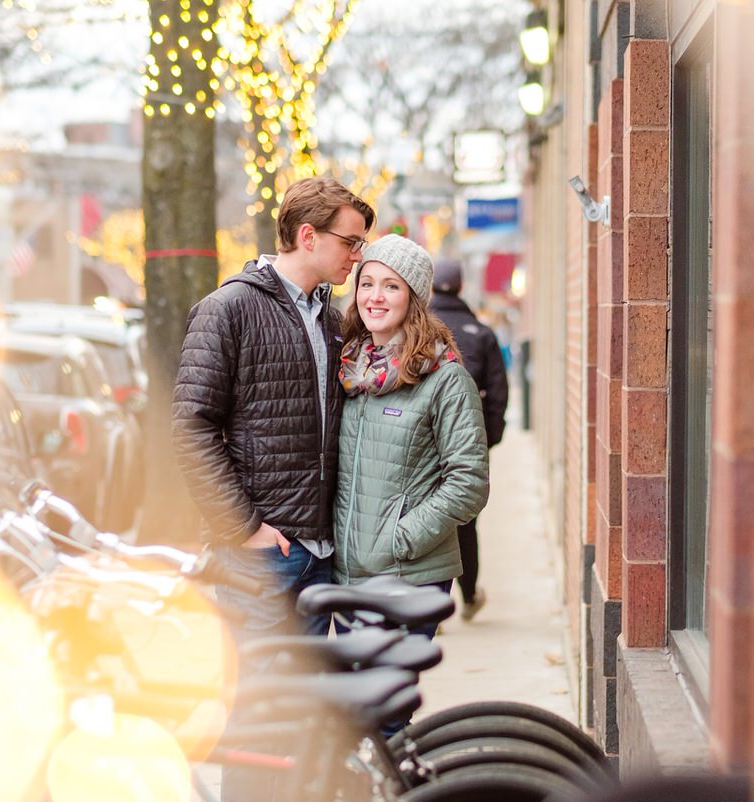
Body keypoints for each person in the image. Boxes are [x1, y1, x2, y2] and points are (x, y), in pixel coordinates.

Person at [172, 177, 375, 640]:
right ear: (308, 236)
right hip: (259, 556)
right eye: (350, 242)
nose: (357, 255)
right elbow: (191, 427)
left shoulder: (331, 317)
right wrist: (244, 528)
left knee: (306, 705)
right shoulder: (228, 309)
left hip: (323, 556)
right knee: (258, 700)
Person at [333, 234, 490, 636]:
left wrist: (400, 538)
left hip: (410, 573)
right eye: (367, 284)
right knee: (356, 697)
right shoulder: (349, 371)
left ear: (414, 298)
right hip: (348, 573)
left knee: (385, 692)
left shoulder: (444, 377)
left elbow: (469, 482)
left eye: (391, 286)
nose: (375, 297)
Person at [430, 257, 509, 621]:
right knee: (464, 521)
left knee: (426, 516)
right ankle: (469, 598)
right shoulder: (482, 334)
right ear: (461, 287)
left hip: (424, 441)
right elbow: (498, 392)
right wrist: (487, 440)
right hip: (466, 442)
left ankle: (431, 608)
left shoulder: (419, 328)